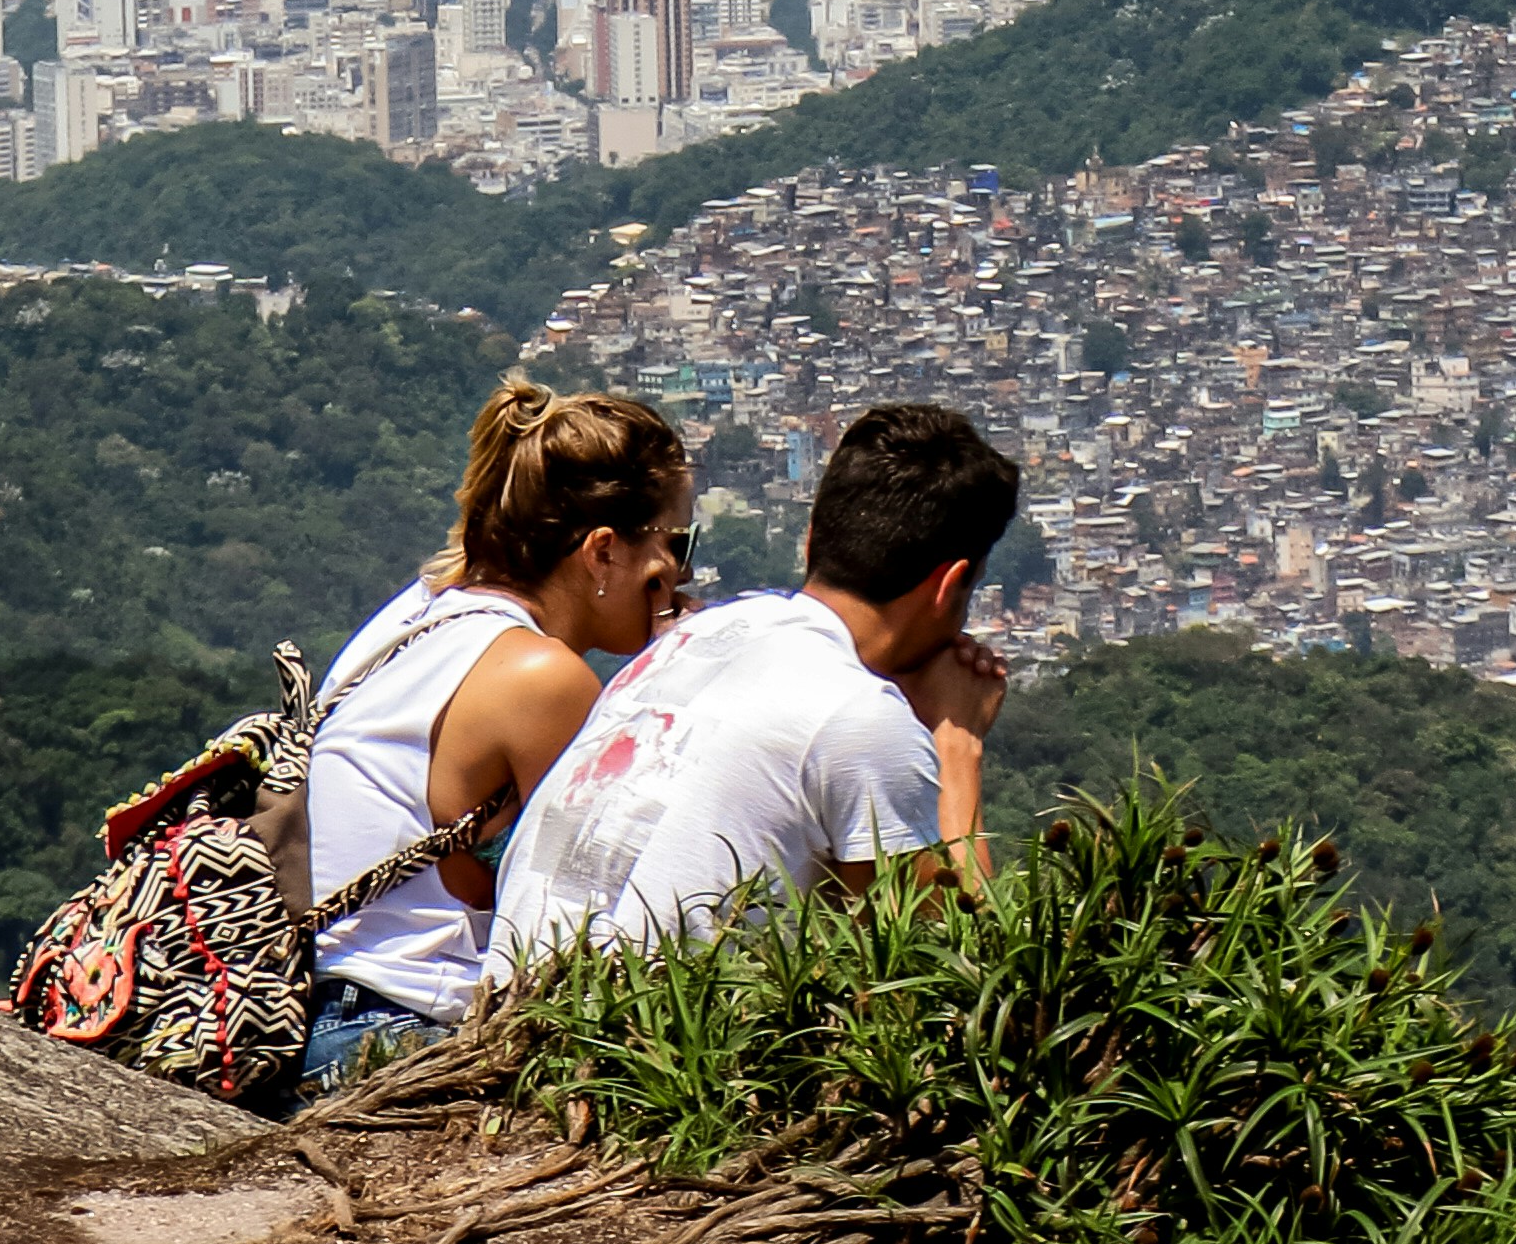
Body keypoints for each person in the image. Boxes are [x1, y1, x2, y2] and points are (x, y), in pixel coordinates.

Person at [490, 393, 1020, 967]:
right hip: (629, 1051)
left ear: (813, 537)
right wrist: (956, 749)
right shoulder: (860, 718)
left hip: (505, 1023)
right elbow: (963, 964)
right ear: (951, 585)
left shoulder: (690, 641)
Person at [299, 373, 694, 1094]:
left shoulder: (412, 617)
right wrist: (678, 665)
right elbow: (623, 889)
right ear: (603, 553)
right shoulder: (542, 677)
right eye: (677, 542)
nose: (681, 572)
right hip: (397, 1026)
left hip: (317, 1008)